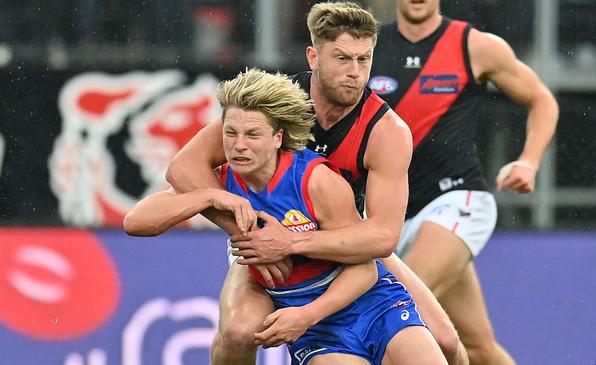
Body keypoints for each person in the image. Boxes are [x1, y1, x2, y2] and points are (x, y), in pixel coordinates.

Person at [165, 2, 468, 365]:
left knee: (447, 342)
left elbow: (383, 238)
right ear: (313, 56)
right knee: (238, 332)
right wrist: (247, 230)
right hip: (264, 240)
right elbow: (183, 168)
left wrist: (289, 242)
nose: (354, 72)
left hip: (339, 239)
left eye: (363, 59)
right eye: (342, 59)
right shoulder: (275, 104)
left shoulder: (386, 131)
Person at [124, 68, 447, 365]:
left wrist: (305, 311)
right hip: (319, 329)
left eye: (252, 135)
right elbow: (136, 222)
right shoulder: (223, 182)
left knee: (442, 348)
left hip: (366, 303)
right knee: (238, 330)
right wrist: (209, 197)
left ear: (278, 138)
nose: (239, 146)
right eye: (230, 134)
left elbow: (364, 271)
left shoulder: (316, 181)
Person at [367, 1, 560, 364]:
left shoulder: (473, 45)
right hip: (391, 214)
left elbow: (542, 101)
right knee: (477, 348)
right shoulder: (367, 48)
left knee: (397, 311)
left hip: (457, 199)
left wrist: (528, 162)